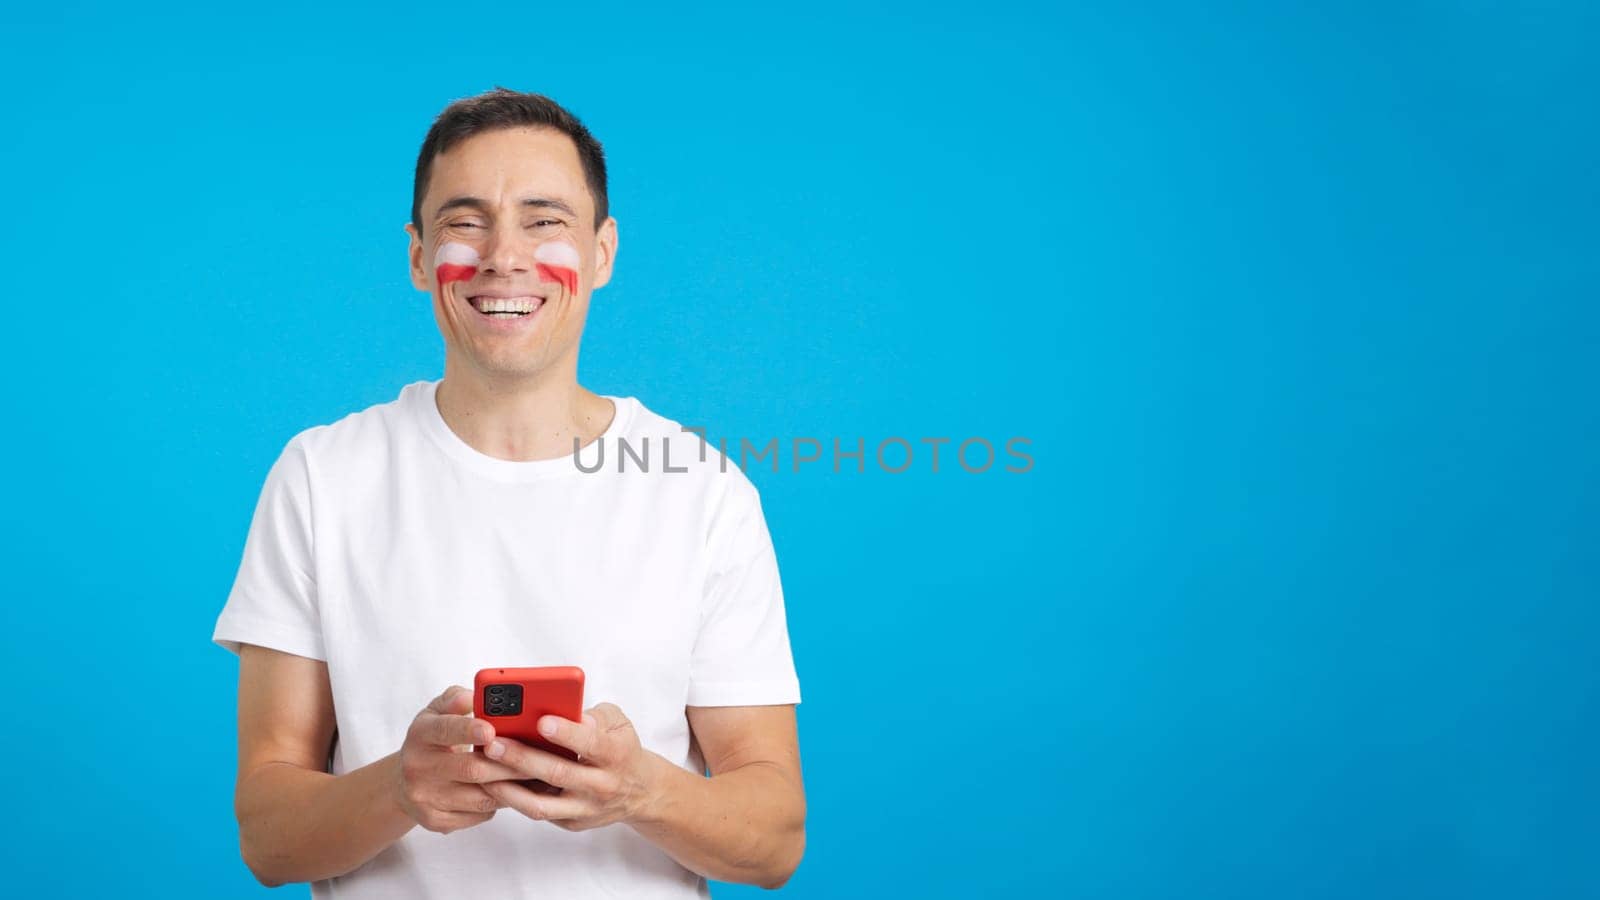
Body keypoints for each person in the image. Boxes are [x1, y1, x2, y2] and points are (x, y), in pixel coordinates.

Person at [210, 87, 804, 898]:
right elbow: (269, 841)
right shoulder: (321, 476)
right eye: (464, 221)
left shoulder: (703, 490)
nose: (504, 256)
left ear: (602, 252)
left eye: (544, 219)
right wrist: (398, 790)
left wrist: (641, 790)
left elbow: (774, 843)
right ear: (418, 255)